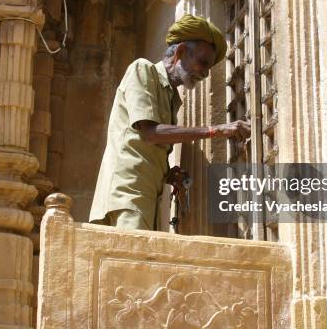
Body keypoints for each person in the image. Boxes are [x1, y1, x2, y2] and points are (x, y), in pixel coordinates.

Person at [89, 14, 251, 230]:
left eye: (208, 68)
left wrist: (167, 174)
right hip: (127, 195)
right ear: (180, 52)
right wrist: (215, 130)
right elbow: (150, 133)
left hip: (146, 199)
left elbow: (142, 147)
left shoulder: (172, 98)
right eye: (202, 63)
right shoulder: (143, 69)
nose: (204, 73)